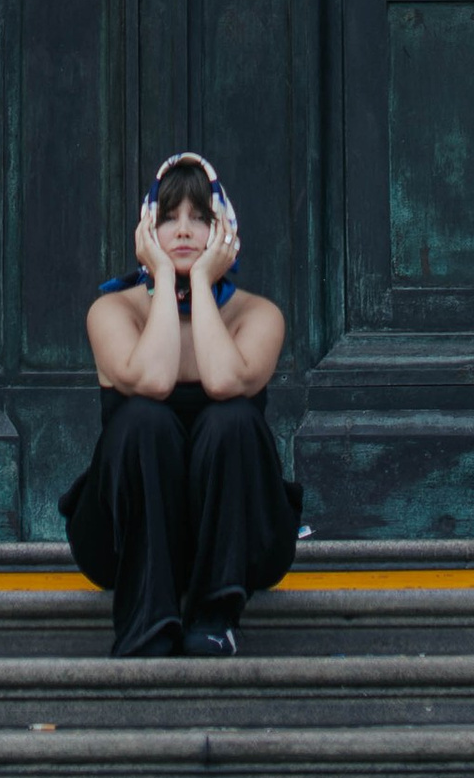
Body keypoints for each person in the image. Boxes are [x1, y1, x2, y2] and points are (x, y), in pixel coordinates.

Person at [59, 149, 300, 656]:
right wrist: (166, 280)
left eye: (201, 218)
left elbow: (224, 380)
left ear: (224, 232)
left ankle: (215, 617)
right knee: (143, 418)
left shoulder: (258, 315)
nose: (185, 231)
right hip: (123, 543)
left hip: (241, 539)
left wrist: (203, 287)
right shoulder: (112, 311)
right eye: (168, 219)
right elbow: (152, 378)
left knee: (231, 418)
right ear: (148, 232)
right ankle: (147, 621)